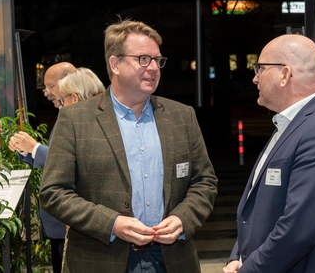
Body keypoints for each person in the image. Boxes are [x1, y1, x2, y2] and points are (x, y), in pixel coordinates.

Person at [40, 18, 218, 273]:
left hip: (172, 261)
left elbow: (205, 182)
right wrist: (112, 223)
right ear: (116, 64)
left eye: (158, 60)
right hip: (99, 260)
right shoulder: (75, 119)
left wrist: (183, 218)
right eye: (143, 59)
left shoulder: (181, 116)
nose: (154, 67)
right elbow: (53, 192)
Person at [223, 34, 315, 273]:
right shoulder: (291, 125)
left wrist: (249, 269)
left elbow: (298, 230)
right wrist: (239, 257)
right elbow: (261, 213)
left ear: (285, 74)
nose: (255, 78)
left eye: (260, 68)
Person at [8, 61, 75, 273]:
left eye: (50, 87)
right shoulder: (65, 113)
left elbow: (71, 161)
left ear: (68, 84)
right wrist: (23, 149)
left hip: (70, 223)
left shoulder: (81, 116)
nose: (47, 93)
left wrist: (35, 148)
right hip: (59, 224)